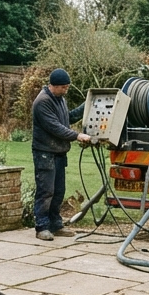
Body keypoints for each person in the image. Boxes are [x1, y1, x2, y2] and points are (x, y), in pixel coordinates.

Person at [31, 68, 90, 240]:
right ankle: (42, 227)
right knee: (46, 191)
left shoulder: (60, 99)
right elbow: (55, 127)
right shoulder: (42, 102)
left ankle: (55, 225)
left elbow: (66, 119)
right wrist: (77, 135)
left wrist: (86, 105)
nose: (66, 90)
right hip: (45, 153)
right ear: (53, 85)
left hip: (58, 153)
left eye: (67, 87)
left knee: (58, 191)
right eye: (63, 87)